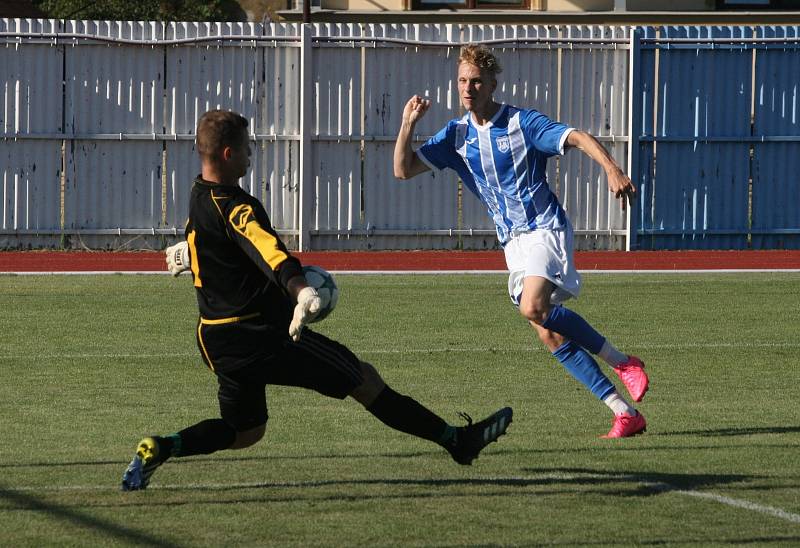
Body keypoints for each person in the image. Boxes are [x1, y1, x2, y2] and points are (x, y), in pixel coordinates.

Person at [121, 110, 513, 491]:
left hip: (215, 340)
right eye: (245, 149)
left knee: (246, 431)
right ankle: (456, 441)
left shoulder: (198, 193)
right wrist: (301, 289)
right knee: (365, 380)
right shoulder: (238, 206)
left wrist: (192, 252)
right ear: (227, 154)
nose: (250, 155)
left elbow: (214, 236)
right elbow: (268, 251)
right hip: (261, 334)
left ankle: (162, 446)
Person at [393, 45, 649, 439]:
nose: (468, 87)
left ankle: (623, 361)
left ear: (493, 84)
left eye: (476, 80)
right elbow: (403, 170)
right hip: (512, 242)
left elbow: (577, 137)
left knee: (533, 306)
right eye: (462, 80)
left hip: (544, 226)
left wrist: (612, 168)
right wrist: (408, 123)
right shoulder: (456, 135)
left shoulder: (521, 123)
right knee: (547, 331)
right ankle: (622, 412)